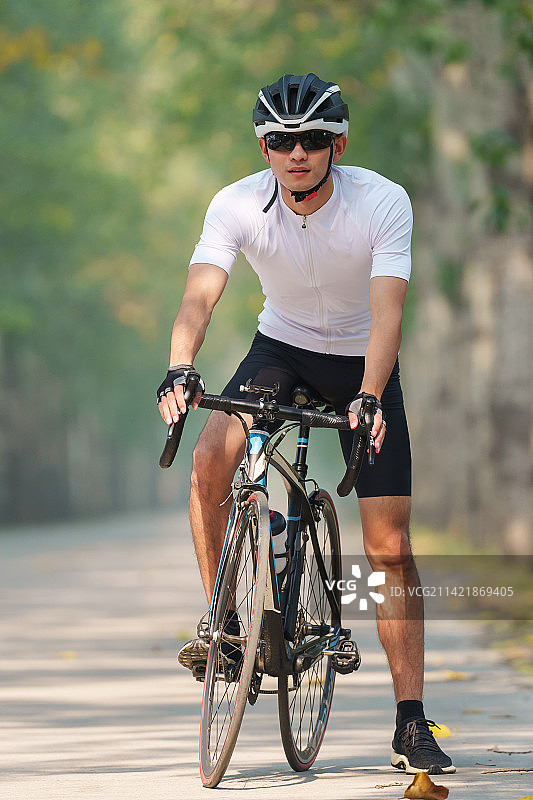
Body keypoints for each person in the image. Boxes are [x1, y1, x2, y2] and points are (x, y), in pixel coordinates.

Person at [157, 73, 455, 775]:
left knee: (387, 548)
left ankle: (409, 720)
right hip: (280, 350)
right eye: (282, 141)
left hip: (362, 362)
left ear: (337, 144)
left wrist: (371, 395)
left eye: (313, 140)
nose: (297, 153)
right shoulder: (236, 203)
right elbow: (199, 297)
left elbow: (387, 314)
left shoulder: (380, 201)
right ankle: (226, 627)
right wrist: (179, 367)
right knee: (208, 463)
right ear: (263, 146)